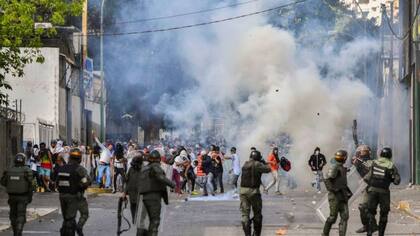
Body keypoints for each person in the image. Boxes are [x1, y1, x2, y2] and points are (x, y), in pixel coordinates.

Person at [138, 150, 175, 236]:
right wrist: (172, 184)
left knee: (143, 221)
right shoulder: (155, 167)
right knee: (155, 221)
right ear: (158, 159)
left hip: (144, 197)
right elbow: (160, 177)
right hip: (154, 197)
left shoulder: (144, 168)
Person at [365, 147, 400, 236]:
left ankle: (369, 233)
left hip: (372, 191)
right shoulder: (391, 165)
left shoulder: (374, 163)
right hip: (384, 192)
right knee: (384, 214)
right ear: (390, 155)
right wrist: (391, 178)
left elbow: (367, 178)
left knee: (370, 212)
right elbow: (397, 181)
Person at [55, 148, 91, 236]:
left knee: (67, 218)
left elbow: (56, 182)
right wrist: (81, 186)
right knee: (73, 218)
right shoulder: (79, 169)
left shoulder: (62, 168)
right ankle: (76, 228)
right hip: (74, 196)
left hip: (62, 196)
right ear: (79, 158)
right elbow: (87, 181)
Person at [1, 153, 33, 236]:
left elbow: (3, 183)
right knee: (21, 214)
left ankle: (15, 231)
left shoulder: (9, 170)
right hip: (23, 196)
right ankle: (19, 231)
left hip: (12, 197)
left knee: (13, 215)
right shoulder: (27, 170)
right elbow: (31, 183)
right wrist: (30, 197)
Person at [240, 150, 271, 236]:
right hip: (253, 192)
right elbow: (268, 169)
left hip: (243, 191)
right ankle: (256, 234)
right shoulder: (257, 164)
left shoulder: (245, 164)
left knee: (245, 215)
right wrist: (264, 162)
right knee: (257, 214)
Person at [322, 150, 352, 236]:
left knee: (345, 217)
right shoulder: (335, 167)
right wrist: (333, 189)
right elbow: (327, 178)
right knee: (332, 218)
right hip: (335, 196)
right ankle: (324, 234)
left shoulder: (341, 167)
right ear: (345, 158)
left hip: (343, 195)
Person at [351, 144, 376, 233]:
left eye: (359, 152)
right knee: (366, 208)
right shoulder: (359, 161)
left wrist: (358, 164)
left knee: (364, 207)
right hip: (367, 188)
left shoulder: (371, 162)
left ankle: (369, 226)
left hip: (372, 188)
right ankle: (371, 225)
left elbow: (367, 170)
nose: (358, 154)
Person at [123, 152, 144, 223]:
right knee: (134, 205)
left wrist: (125, 193)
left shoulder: (142, 169)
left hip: (137, 191)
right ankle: (135, 219)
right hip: (134, 191)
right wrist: (124, 193)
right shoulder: (132, 169)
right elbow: (127, 180)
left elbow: (126, 181)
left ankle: (135, 219)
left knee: (135, 206)